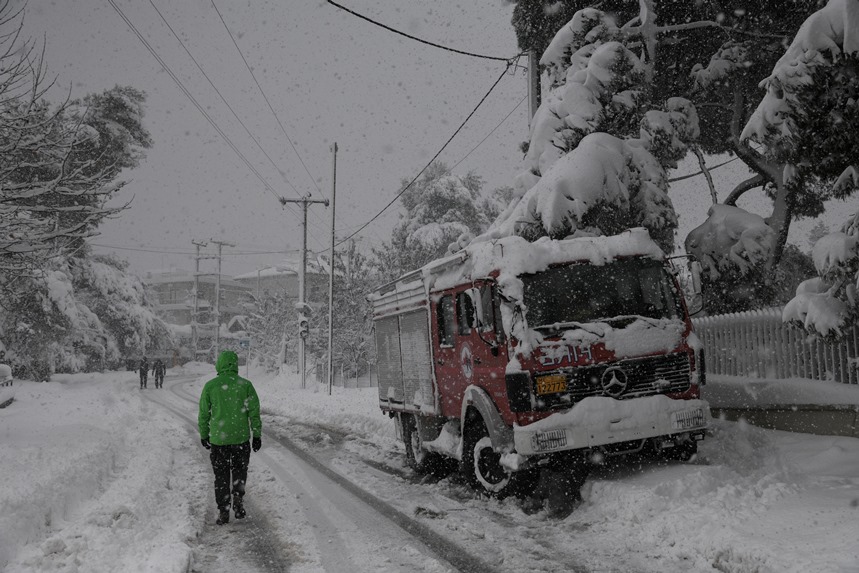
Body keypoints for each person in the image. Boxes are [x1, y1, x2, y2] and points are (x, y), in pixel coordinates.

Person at [198, 350, 262, 525]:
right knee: (240, 471)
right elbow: (254, 412)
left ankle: (223, 510)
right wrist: (256, 434)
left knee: (221, 475)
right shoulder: (245, 385)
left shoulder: (211, 386)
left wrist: (204, 434)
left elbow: (204, 413)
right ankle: (238, 497)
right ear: (235, 364)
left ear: (219, 364)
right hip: (240, 439)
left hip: (219, 441)